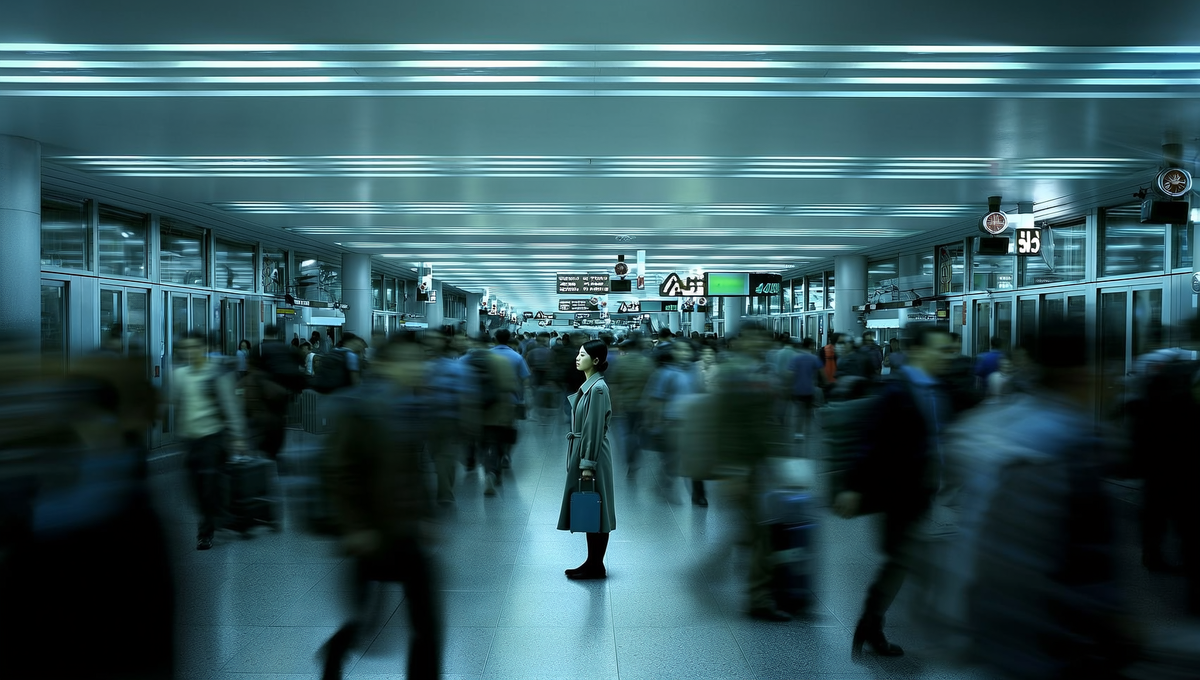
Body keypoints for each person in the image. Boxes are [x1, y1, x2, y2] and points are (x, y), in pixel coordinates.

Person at [320, 332, 442, 680]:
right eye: (407, 360)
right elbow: (338, 472)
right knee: (361, 620)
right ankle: (334, 656)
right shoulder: (360, 410)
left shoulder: (409, 405)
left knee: (426, 622)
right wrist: (356, 527)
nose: (416, 367)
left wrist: (426, 515)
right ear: (384, 364)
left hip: (405, 531)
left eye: (419, 360)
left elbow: (412, 469)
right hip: (372, 533)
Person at [832, 323, 956, 660]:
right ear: (917, 351)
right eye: (940, 350)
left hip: (923, 489)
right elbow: (870, 442)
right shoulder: (896, 392)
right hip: (899, 491)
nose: (947, 356)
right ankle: (871, 625)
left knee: (903, 561)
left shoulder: (941, 388)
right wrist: (852, 486)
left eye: (949, 350)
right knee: (901, 559)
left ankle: (874, 623)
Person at [171, 331, 250, 550]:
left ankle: (205, 532)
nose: (190, 352)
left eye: (194, 347)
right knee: (195, 488)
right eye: (185, 348)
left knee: (208, 486)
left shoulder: (216, 374)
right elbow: (177, 405)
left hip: (212, 438)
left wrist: (238, 436)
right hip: (191, 439)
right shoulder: (180, 376)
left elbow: (231, 407)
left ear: (204, 348)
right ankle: (225, 518)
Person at [558, 339, 616, 580]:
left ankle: (596, 564)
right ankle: (592, 562)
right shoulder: (589, 387)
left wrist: (587, 465)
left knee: (596, 507)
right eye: (577, 354)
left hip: (591, 455)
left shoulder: (598, 389)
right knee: (590, 507)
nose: (577, 358)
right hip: (585, 451)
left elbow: (593, 428)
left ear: (595, 360)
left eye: (582, 355)